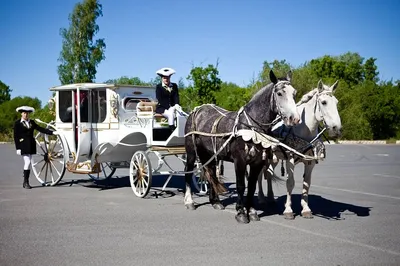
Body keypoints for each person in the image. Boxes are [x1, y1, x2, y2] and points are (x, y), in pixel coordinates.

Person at [13, 106, 58, 189]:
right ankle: (25, 182)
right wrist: (18, 148)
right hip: (23, 145)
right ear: (21, 114)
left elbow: (40, 129)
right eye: (24, 113)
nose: (26, 115)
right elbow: (16, 136)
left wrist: (52, 132)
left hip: (31, 144)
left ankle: (25, 178)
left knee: (29, 162)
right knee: (28, 162)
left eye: (27, 113)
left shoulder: (32, 122)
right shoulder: (17, 123)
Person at [155, 67, 180, 131]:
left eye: (167, 78)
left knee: (180, 115)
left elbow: (176, 96)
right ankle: (172, 129)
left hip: (173, 107)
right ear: (162, 78)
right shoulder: (159, 87)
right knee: (170, 114)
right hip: (162, 108)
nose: (166, 79)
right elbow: (160, 99)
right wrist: (169, 107)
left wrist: (176, 104)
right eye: (164, 78)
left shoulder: (174, 86)